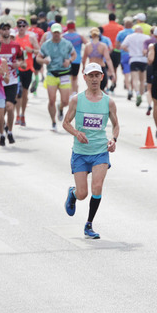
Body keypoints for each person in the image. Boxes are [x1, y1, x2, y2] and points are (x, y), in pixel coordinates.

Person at [62, 63, 119, 239]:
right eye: (90, 76)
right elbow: (65, 123)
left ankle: (89, 224)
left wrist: (113, 139)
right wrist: (77, 133)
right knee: (82, 193)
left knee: (97, 187)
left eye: (97, 75)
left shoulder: (108, 101)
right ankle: (72, 193)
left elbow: (116, 125)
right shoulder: (76, 100)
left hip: (100, 151)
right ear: (85, 78)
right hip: (80, 152)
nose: (94, 79)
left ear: (102, 77)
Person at [36, 23, 76, 132]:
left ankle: (61, 107)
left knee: (65, 101)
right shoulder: (46, 45)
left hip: (64, 73)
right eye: (55, 32)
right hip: (51, 73)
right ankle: (53, 121)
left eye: (58, 32)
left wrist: (69, 61)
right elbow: (38, 58)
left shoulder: (67, 44)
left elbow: (74, 54)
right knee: (51, 99)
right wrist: (44, 61)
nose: (57, 34)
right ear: (51, 33)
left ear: (61, 33)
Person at [0, 22, 24, 145]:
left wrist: (18, 64)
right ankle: (2, 128)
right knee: (0, 109)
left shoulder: (16, 45)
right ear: (0, 31)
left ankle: (10, 131)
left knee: (9, 106)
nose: (6, 31)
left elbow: (22, 61)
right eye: (4, 29)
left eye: (8, 29)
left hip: (12, 80)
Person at [15, 18, 40, 127]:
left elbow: (39, 51)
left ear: (26, 27)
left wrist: (31, 51)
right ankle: (17, 115)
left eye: (23, 26)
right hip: (16, 69)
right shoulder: (14, 38)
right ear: (17, 27)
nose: (21, 28)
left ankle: (23, 114)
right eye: (19, 26)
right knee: (17, 92)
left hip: (28, 68)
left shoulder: (31, 38)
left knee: (24, 93)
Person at [121, 25, 149, 107]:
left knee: (135, 79)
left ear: (135, 31)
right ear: (141, 31)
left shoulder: (130, 37)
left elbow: (123, 46)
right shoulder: (146, 37)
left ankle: (137, 94)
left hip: (133, 58)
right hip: (143, 59)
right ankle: (141, 94)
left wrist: (129, 50)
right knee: (142, 80)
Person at [81, 28, 115, 92]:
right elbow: (108, 59)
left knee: (92, 90)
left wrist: (83, 68)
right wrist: (112, 72)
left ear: (91, 36)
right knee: (102, 90)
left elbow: (84, 59)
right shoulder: (103, 46)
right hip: (101, 68)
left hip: (90, 69)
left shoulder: (87, 46)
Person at [62, 21, 88, 97]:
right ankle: (75, 92)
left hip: (67, 60)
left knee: (68, 77)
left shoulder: (64, 36)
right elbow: (87, 44)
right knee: (75, 77)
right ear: (74, 26)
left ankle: (70, 93)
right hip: (77, 59)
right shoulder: (79, 36)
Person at [115, 17, 134, 99]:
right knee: (134, 74)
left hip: (124, 55)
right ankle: (132, 89)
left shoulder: (121, 33)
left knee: (126, 74)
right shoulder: (134, 32)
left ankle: (128, 90)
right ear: (132, 25)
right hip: (134, 55)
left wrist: (120, 48)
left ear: (124, 25)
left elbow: (117, 44)